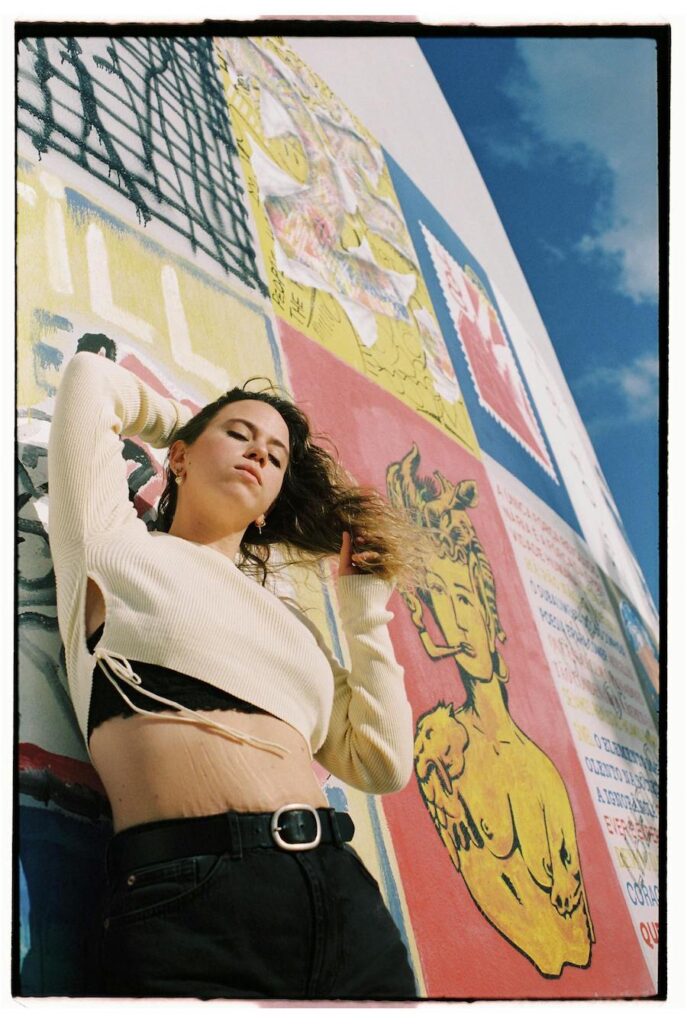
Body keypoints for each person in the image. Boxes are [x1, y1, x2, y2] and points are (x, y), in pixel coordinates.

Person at [47, 349, 420, 1000]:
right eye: (238, 436)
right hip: (191, 899)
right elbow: (90, 379)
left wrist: (363, 608)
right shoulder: (113, 547)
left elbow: (379, 761)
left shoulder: (295, 633)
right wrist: (185, 426)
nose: (257, 455)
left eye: (275, 458)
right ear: (181, 458)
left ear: (270, 506)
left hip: (343, 898)